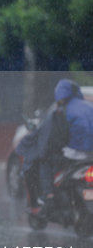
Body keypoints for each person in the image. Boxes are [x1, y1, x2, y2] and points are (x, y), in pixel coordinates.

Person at [16, 79, 93, 212]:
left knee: (45, 160)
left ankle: (49, 194)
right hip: (90, 156)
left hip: (74, 155)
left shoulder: (62, 111)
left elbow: (56, 136)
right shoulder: (89, 106)